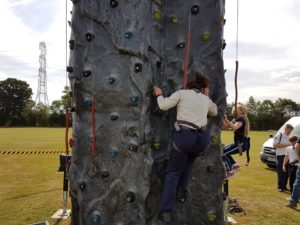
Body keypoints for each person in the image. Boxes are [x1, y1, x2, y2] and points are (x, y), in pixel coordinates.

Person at [153, 72, 217, 222]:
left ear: (188, 85)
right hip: (202, 141)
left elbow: (163, 106)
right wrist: (207, 95)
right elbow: (214, 111)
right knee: (187, 166)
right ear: (202, 88)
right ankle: (182, 190)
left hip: (185, 138)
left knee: (173, 172)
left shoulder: (181, 93)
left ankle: (166, 210)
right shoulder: (205, 99)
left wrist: (159, 94)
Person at [222, 104, 250, 178]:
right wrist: (222, 118)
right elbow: (226, 126)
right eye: (234, 110)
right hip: (237, 143)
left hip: (242, 144)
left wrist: (226, 120)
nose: (234, 111)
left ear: (241, 111)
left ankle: (230, 172)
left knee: (223, 153)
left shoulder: (242, 119)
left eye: (236, 110)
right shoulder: (235, 119)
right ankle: (235, 165)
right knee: (223, 150)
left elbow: (234, 127)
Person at [273, 124, 294, 192]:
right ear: (286, 129)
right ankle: (280, 186)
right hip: (281, 155)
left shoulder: (290, 137)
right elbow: (275, 145)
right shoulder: (280, 135)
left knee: (287, 172)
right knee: (281, 172)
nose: (290, 132)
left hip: (289, 156)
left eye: (291, 130)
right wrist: (288, 145)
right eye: (289, 130)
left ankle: (284, 186)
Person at [285, 137, 300, 209]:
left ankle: (293, 201)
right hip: (293, 165)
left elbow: (297, 146)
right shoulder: (288, 148)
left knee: (297, 182)